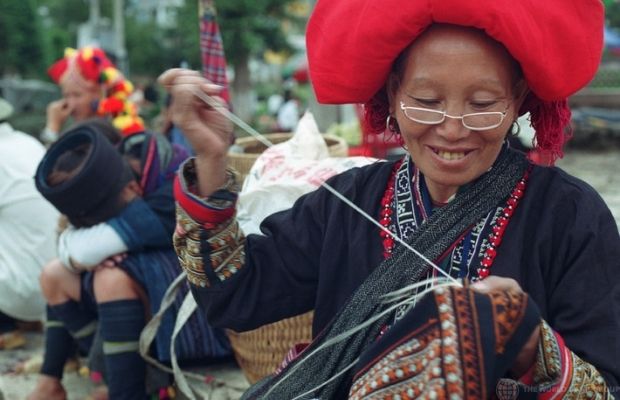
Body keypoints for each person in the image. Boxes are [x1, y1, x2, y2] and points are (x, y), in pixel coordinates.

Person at [161, 0, 619, 398]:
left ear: (518, 99)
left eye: (482, 103)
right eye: (426, 99)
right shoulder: (348, 201)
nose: (453, 128)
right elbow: (233, 298)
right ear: (392, 95)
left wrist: (528, 345)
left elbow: (608, 387)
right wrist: (211, 158)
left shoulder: (570, 218)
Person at [28, 123, 230, 400]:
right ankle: (62, 381)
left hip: (187, 290)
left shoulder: (173, 176)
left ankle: (126, 390)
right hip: (140, 283)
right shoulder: (111, 178)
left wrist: (98, 250)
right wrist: (96, 249)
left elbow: (85, 251)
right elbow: (69, 243)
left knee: (109, 279)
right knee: (53, 274)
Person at [0, 96, 59, 349]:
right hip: (56, 291)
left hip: (22, 293)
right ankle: (19, 323)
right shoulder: (27, 142)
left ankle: (6, 327)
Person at [41, 46, 145, 145]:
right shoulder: (79, 130)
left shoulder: (115, 132)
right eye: (66, 96)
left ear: (101, 94)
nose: (70, 104)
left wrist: (52, 128)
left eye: (77, 95)